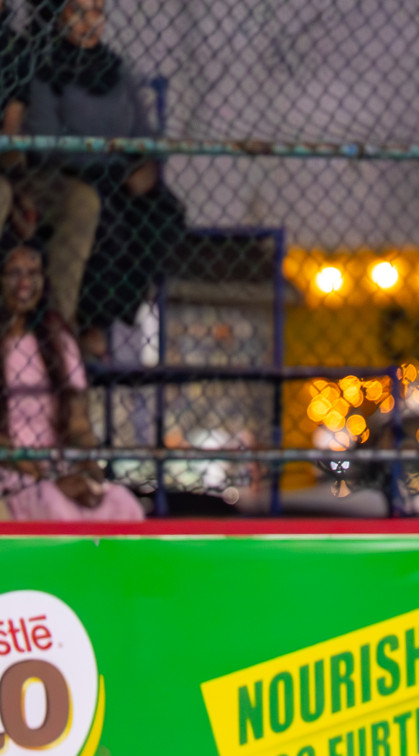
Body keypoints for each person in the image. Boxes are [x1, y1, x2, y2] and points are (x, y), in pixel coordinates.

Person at [26, 0, 183, 355]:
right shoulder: (47, 70)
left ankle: (116, 313)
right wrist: (104, 156)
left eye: (97, 11)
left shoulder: (115, 69)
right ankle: (92, 324)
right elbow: (46, 141)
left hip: (121, 172)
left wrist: (147, 162)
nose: (89, 21)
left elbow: (146, 132)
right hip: (75, 172)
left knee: (165, 214)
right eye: (77, 11)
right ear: (58, 16)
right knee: (106, 218)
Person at [0, 244, 140, 520]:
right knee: (53, 507)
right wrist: (44, 480)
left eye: (33, 273)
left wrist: (86, 472)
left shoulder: (58, 342)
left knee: (123, 506)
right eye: (14, 273)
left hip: (58, 465)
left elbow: (79, 425)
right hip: (12, 469)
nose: (25, 282)